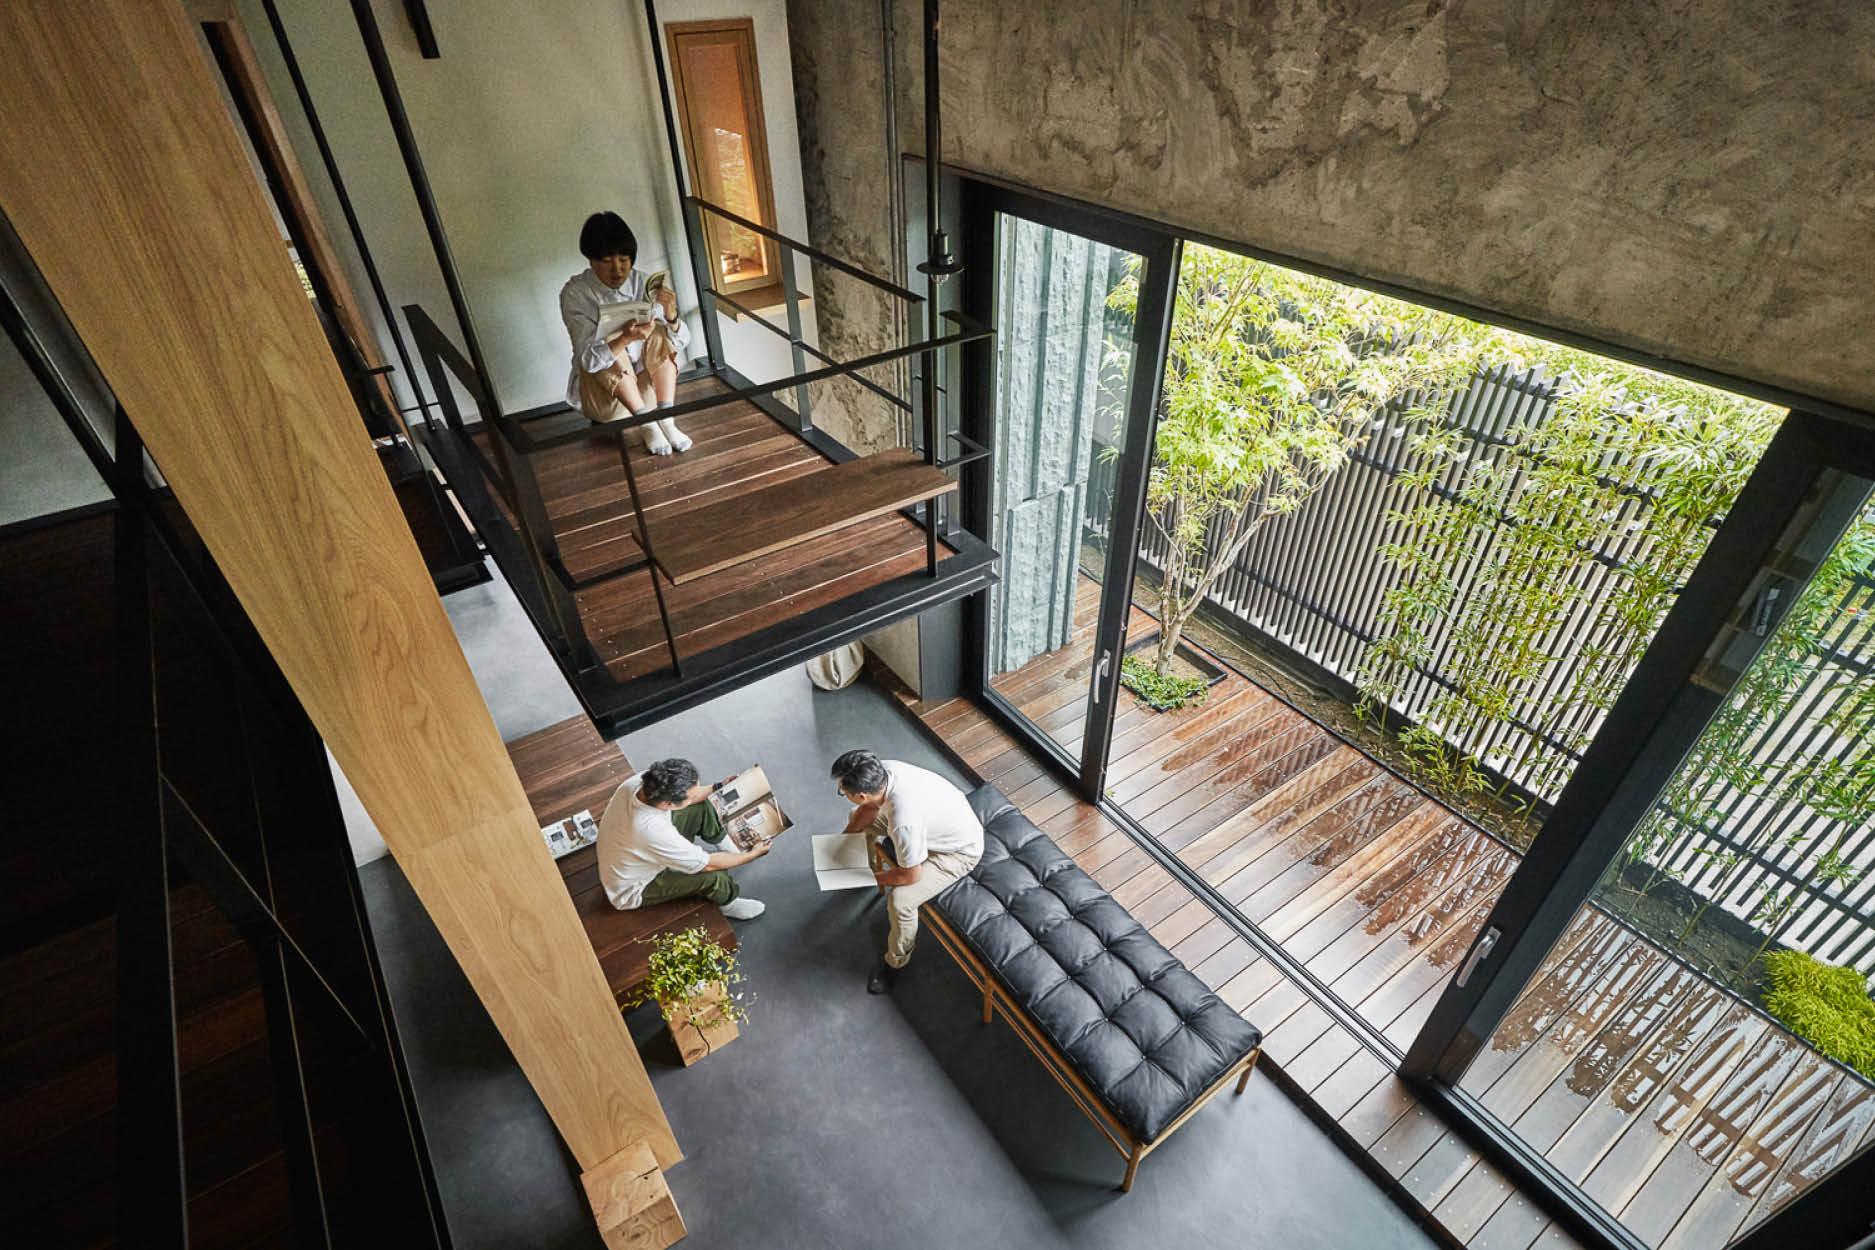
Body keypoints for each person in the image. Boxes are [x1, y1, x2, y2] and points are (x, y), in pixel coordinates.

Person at [830, 749, 983, 994]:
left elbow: (910, 875)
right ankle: (859, 863)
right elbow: (867, 810)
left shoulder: (904, 822)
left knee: (901, 902)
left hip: (957, 851)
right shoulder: (883, 771)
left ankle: (895, 962)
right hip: (935, 826)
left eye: (842, 791)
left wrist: (868, 879)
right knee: (855, 818)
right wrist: (843, 842)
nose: (842, 793)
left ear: (860, 794)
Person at [559, 210, 693, 455]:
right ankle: (647, 425)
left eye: (624, 259)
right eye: (607, 261)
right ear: (591, 259)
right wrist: (624, 338)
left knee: (659, 331)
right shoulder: (575, 293)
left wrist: (672, 316)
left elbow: (681, 343)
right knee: (608, 340)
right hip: (608, 402)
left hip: (651, 396)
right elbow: (588, 361)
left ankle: (667, 419)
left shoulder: (643, 281)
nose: (617, 270)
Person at [596, 757, 768, 919]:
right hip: (633, 887)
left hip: (630, 853)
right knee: (715, 875)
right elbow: (708, 864)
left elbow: (694, 796)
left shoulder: (645, 781)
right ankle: (728, 904)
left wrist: (719, 786)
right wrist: (751, 855)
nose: (697, 794)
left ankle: (723, 843)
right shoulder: (651, 830)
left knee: (703, 803)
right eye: (690, 796)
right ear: (668, 804)